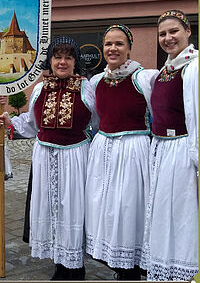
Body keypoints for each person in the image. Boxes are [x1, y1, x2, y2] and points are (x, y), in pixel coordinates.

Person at [0, 37, 97, 280]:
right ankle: (59, 262)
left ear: (75, 62)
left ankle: (75, 266)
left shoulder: (87, 87)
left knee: (72, 207)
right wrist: (9, 121)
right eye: (57, 57)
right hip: (44, 156)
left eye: (68, 57)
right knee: (51, 208)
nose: (62, 62)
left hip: (74, 156)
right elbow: (31, 125)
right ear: (50, 61)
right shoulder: (41, 88)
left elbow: (99, 123)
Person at [84, 24, 155, 280]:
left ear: (129, 48)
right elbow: (92, 120)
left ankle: (134, 264)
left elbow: (157, 116)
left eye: (119, 44)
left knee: (130, 206)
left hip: (134, 149)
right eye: (108, 44)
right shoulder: (96, 81)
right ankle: (117, 261)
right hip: (104, 149)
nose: (113, 49)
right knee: (107, 205)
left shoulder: (144, 78)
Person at [142, 10, 198, 281]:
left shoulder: (194, 68)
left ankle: (185, 269)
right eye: (162, 33)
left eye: (174, 31)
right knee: (164, 213)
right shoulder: (164, 71)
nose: (168, 38)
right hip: (162, 150)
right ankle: (167, 266)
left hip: (183, 151)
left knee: (183, 213)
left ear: (188, 32)